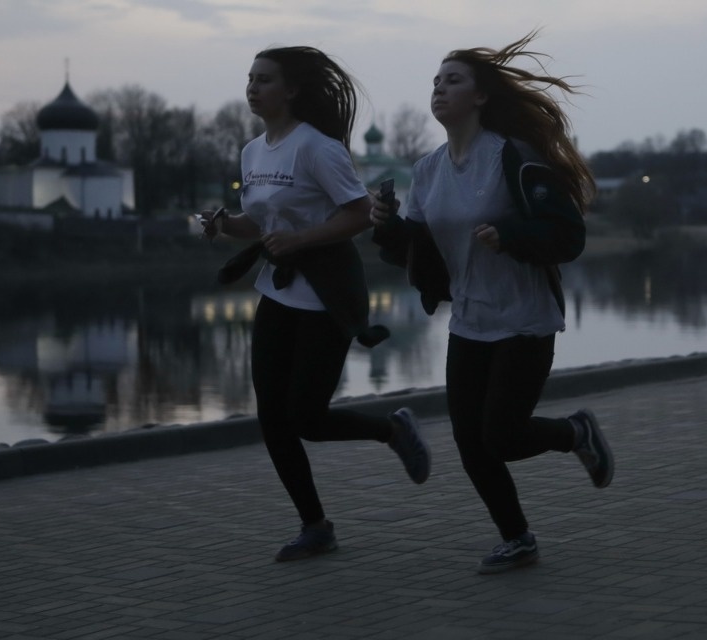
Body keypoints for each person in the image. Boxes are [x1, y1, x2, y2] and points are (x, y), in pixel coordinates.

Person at [371, 31, 614, 574]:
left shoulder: (512, 158)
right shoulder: (428, 169)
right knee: (470, 442)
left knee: (501, 436)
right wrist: (388, 230)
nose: (439, 89)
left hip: (525, 318)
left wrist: (511, 236)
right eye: (434, 81)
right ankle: (518, 538)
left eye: (453, 80)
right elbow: (419, 250)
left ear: (480, 96)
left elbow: (566, 236)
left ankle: (576, 432)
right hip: (470, 321)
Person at [197, 46, 431, 562]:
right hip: (277, 292)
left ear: (293, 90)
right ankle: (315, 526)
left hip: (325, 293)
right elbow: (261, 225)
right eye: (249, 79)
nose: (253, 88)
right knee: (272, 417)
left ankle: (391, 429)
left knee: (306, 416)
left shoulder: (318, 148)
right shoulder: (253, 152)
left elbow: (358, 215)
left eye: (264, 80)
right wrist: (222, 225)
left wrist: (301, 241)